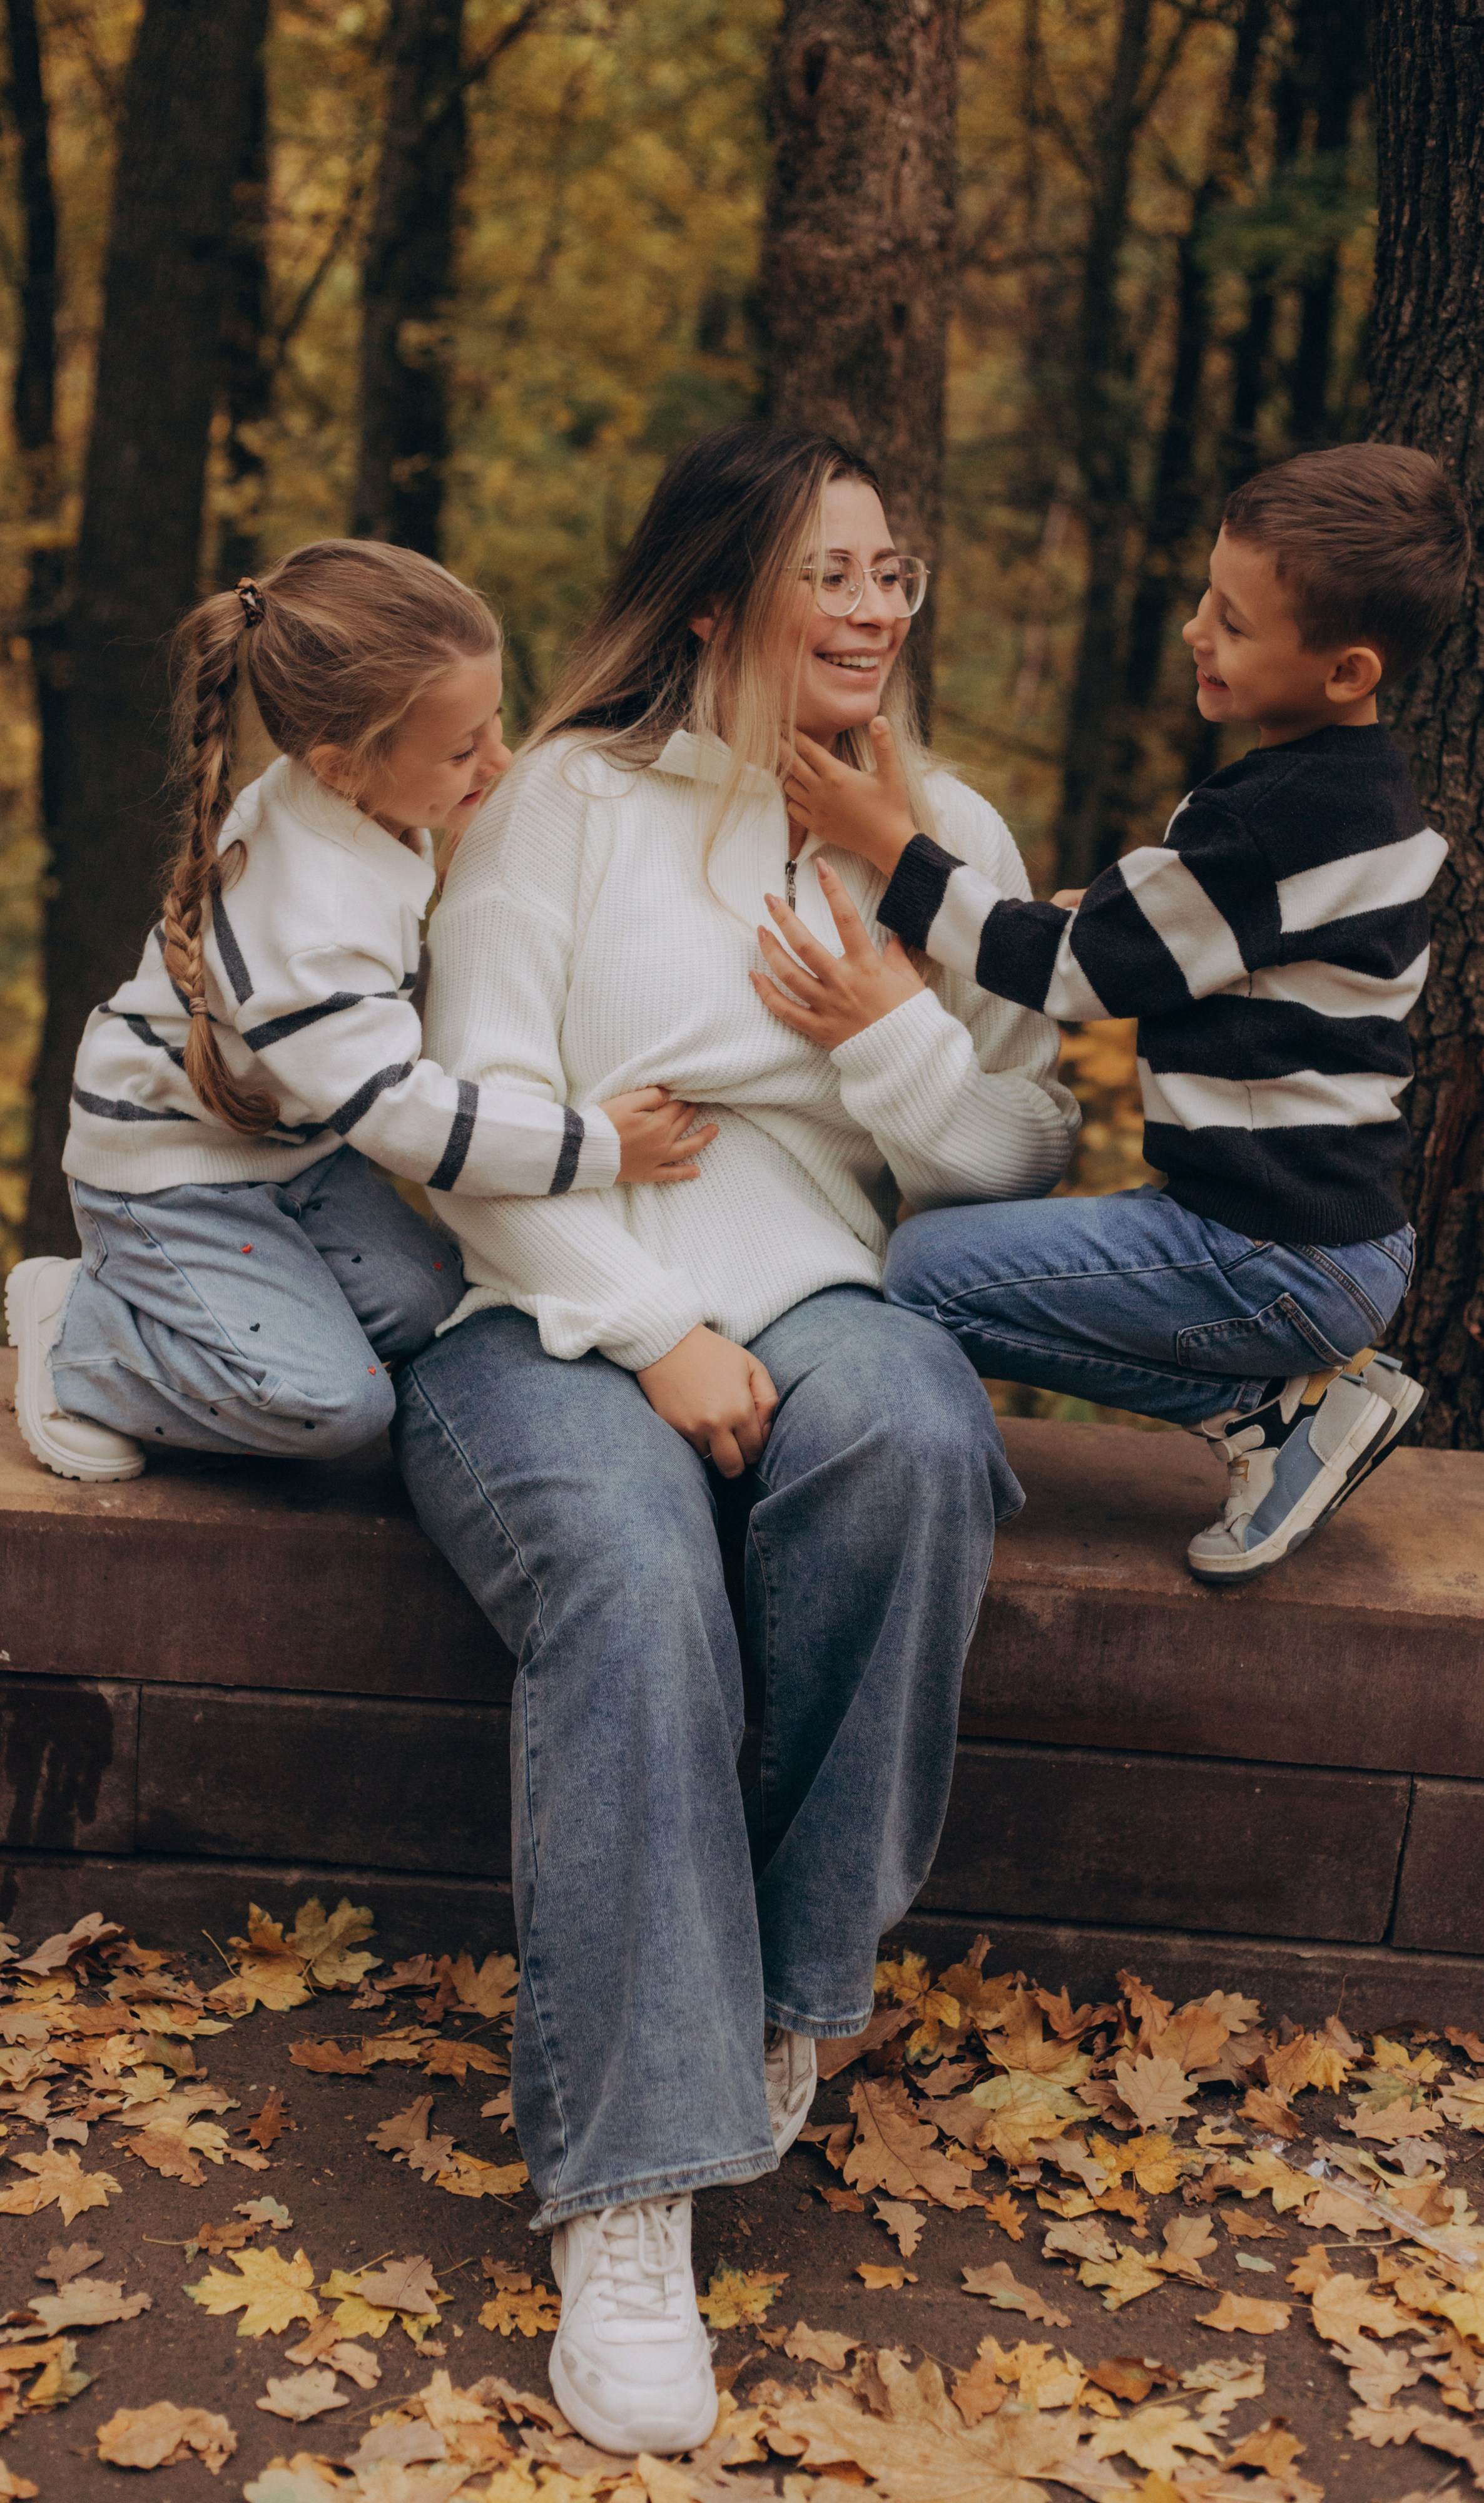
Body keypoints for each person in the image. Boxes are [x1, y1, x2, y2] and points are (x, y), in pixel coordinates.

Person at [390, 424, 1079, 2454]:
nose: (874, 606)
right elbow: (466, 1120)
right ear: (716, 596)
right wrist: (645, 1322)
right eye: (831, 569)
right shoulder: (569, 806)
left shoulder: (938, 822)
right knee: (632, 1574)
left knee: (920, 1448)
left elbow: (1022, 1145)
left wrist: (884, 1019)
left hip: (817, 1294)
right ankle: (631, 2193)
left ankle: (787, 1991)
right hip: (538, 1307)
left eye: (895, 573)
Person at [770, 442, 1471, 1585]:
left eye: (1236, 624)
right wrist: (1094, 917)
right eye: (1208, 595)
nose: (1199, 630)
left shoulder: (1260, 822)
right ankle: (1293, 1403)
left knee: (923, 1274)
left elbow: (1073, 977)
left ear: (1346, 671)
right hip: (1337, 1237)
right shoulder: (1364, 795)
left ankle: (1274, 1412)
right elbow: (1223, 946)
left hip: (1263, 1250)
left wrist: (885, 840)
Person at [6, 539, 714, 1482]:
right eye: (463, 751)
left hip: (290, 1147)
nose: (498, 763)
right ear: (342, 766)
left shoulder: (349, 802)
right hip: (172, 1175)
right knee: (332, 1406)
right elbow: (407, 1122)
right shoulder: (309, 931)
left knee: (429, 1307)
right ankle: (82, 1337)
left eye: (494, 727)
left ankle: (226, 1322)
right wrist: (596, 1147)